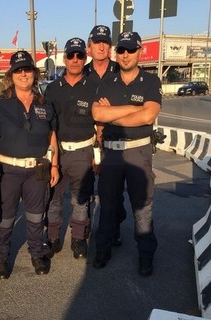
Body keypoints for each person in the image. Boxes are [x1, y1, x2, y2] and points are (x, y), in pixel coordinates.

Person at [92, 31, 162, 276]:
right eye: (121, 50)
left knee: (142, 208)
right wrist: (133, 108)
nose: (125, 55)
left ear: (139, 52)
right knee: (108, 206)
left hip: (138, 154)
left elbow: (148, 115)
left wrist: (115, 113)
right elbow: (98, 115)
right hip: (111, 154)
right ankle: (103, 249)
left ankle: (145, 255)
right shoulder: (107, 82)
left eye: (130, 50)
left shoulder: (151, 82)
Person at [0, 51, 59, 279]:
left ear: (34, 74)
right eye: (18, 70)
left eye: (27, 69)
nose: (23, 74)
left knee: (36, 215)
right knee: (6, 217)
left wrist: (55, 165)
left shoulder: (45, 104)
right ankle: (0, 258)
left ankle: (37, 253)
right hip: (8, 172)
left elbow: (52, 135)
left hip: (38, 170)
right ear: (11, 75)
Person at [44, 38, 98, 260]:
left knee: (80, 200)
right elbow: (46, 124)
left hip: (84, 152)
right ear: (64, 58)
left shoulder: (94, 86)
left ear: (85, 58)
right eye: (71, 55)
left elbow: (101, 124)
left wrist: (98, 156)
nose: (75, 60)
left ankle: (78, 239)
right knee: (53, 199)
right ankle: (53, 237)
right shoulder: (52, 89)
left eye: (79, 56)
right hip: (58, 152)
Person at [85, 25, 126, 247]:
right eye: (97, 42)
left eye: (105, 42)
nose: (102, 46)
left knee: (114, 189)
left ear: (110, 47)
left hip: (112, 138)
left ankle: (115, 227)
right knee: (87, 186)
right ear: (89, 46)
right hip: (85, 137)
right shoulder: (81, 72)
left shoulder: (120, 70)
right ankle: (89, 229)